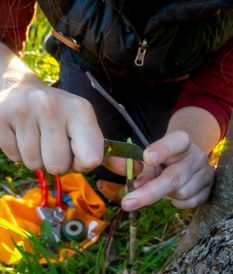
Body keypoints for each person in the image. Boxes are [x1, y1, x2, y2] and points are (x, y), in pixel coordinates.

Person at [0, 0, 233, 211]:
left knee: (155, 167)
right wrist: (11, 83)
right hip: (88, 62)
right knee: (91, 156)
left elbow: (220, 84)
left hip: (181, 78)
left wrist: (192, 142)